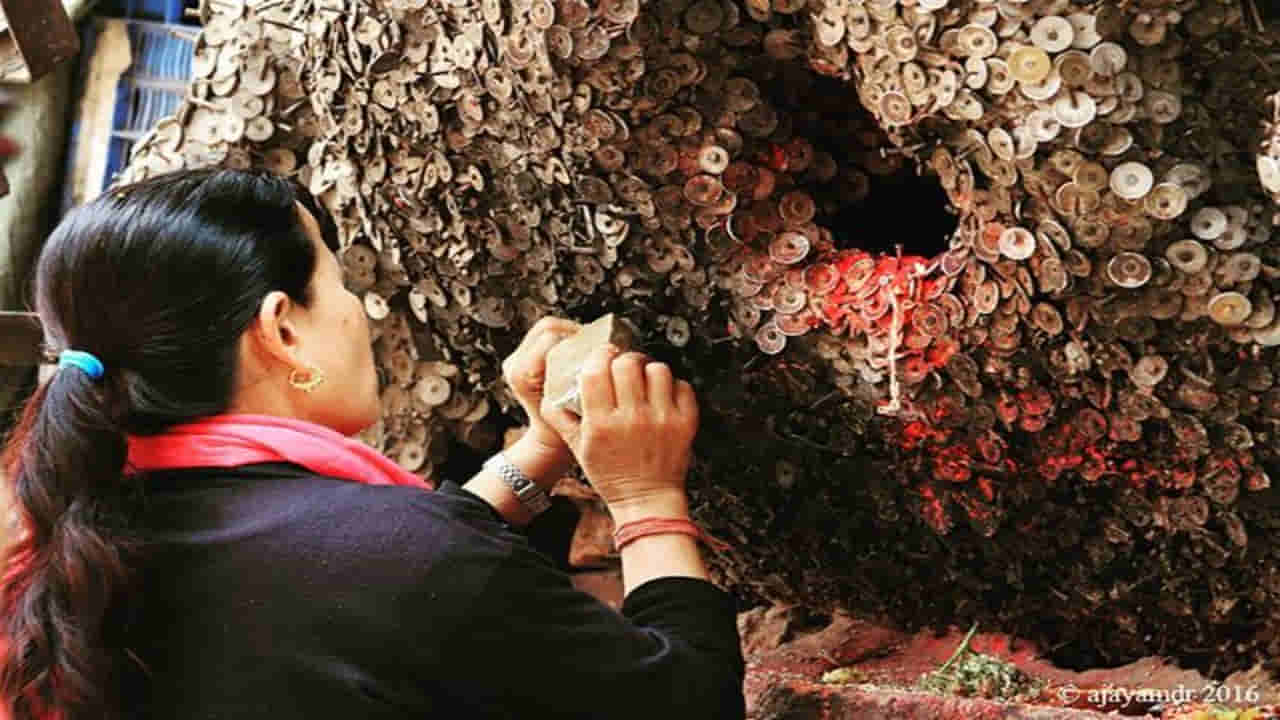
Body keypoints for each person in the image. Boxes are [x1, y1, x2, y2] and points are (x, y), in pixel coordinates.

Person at [0, 167, 745, 719]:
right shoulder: (394, 559)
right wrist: (646, 498)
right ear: (283, 329)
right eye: (340, 283)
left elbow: (372, 582)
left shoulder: (78, 542)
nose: (360, 312)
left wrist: (543, 449)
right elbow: (686, 702)